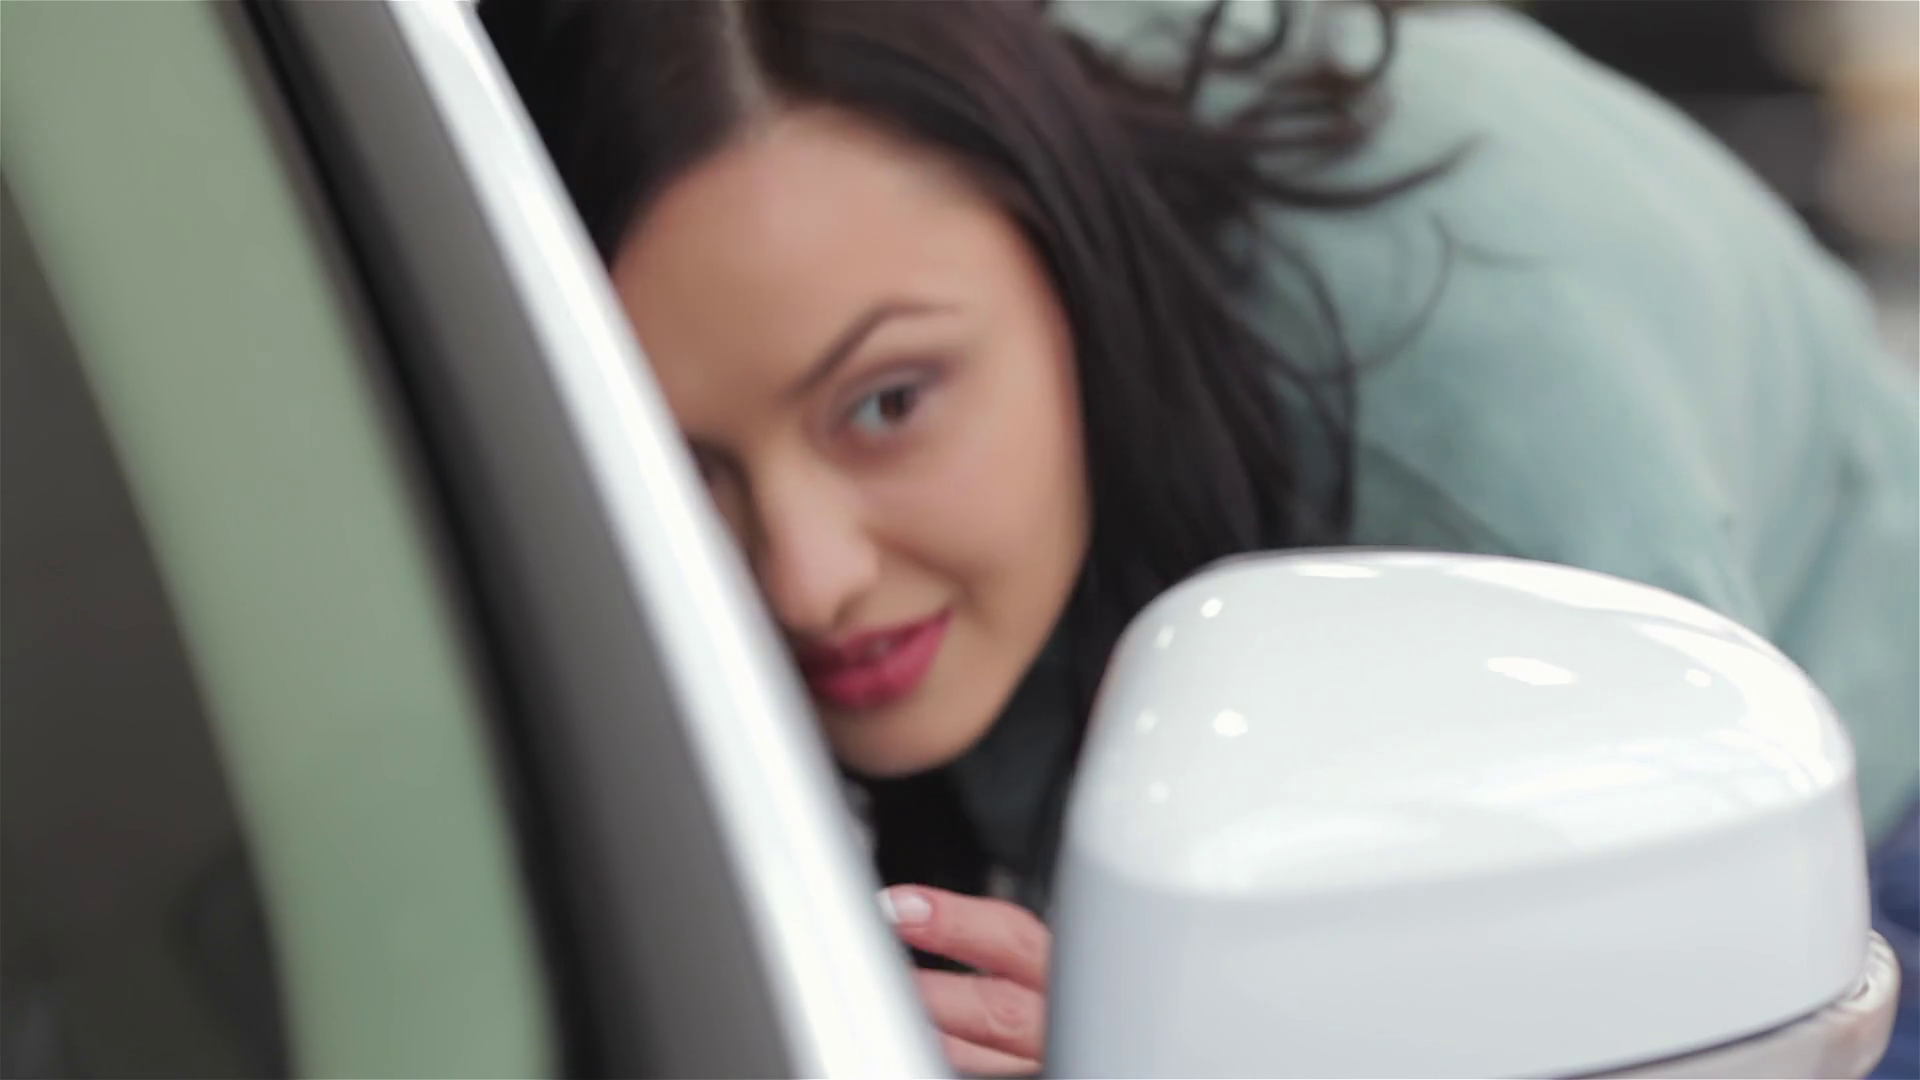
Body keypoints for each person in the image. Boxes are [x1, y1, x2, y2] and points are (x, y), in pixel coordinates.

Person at [480, 1, 1920, 1074]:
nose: (807, 580)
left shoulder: (1483, 461)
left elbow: (1662, 1007)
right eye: (679, 466)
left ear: (1072, 254)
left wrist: (1211, 1039)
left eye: (889, 402)